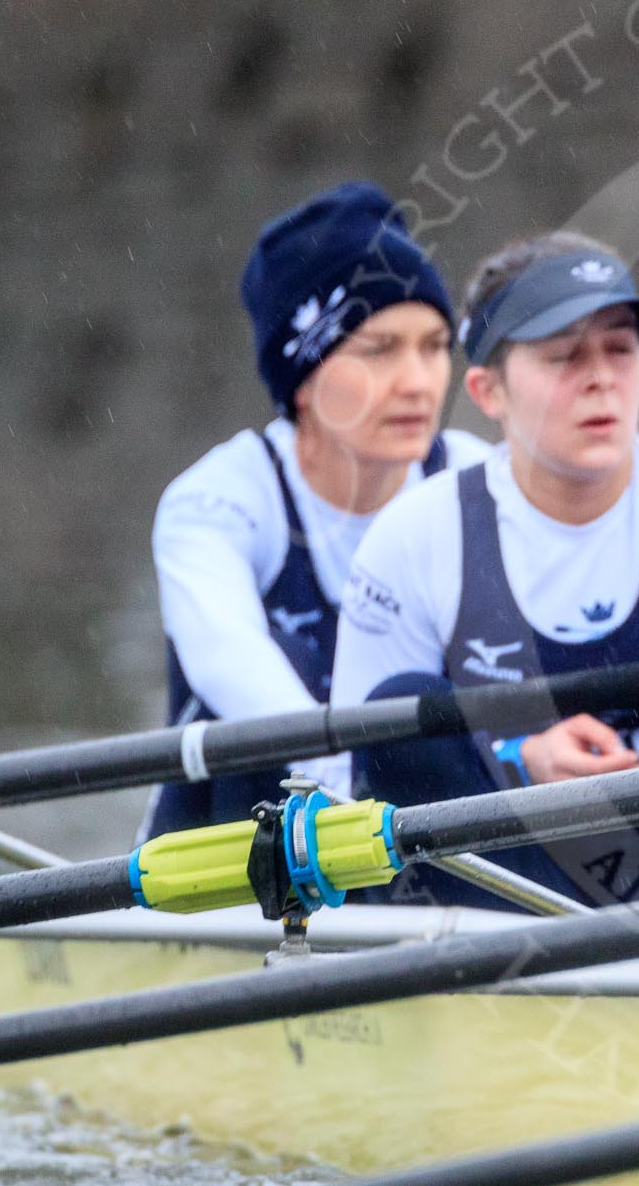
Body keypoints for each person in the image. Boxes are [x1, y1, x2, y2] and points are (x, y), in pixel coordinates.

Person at [333, 228, 639, 909]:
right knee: (401, 716)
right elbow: (352, 788)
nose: (601, 376)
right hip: (513, 890)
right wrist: (517, 762)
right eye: (563, 356)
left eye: (619, 346)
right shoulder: (416, 539)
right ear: (488, 392)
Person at [144, 181, 488, 838]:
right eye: (379, 349)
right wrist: (349, 786)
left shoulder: (475, 478)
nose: (418, 381)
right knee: (284, 661)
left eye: (435, 345)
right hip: (245, 850)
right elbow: (226, 655)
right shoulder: (218, 500)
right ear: (302, 376)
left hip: (409, 854)